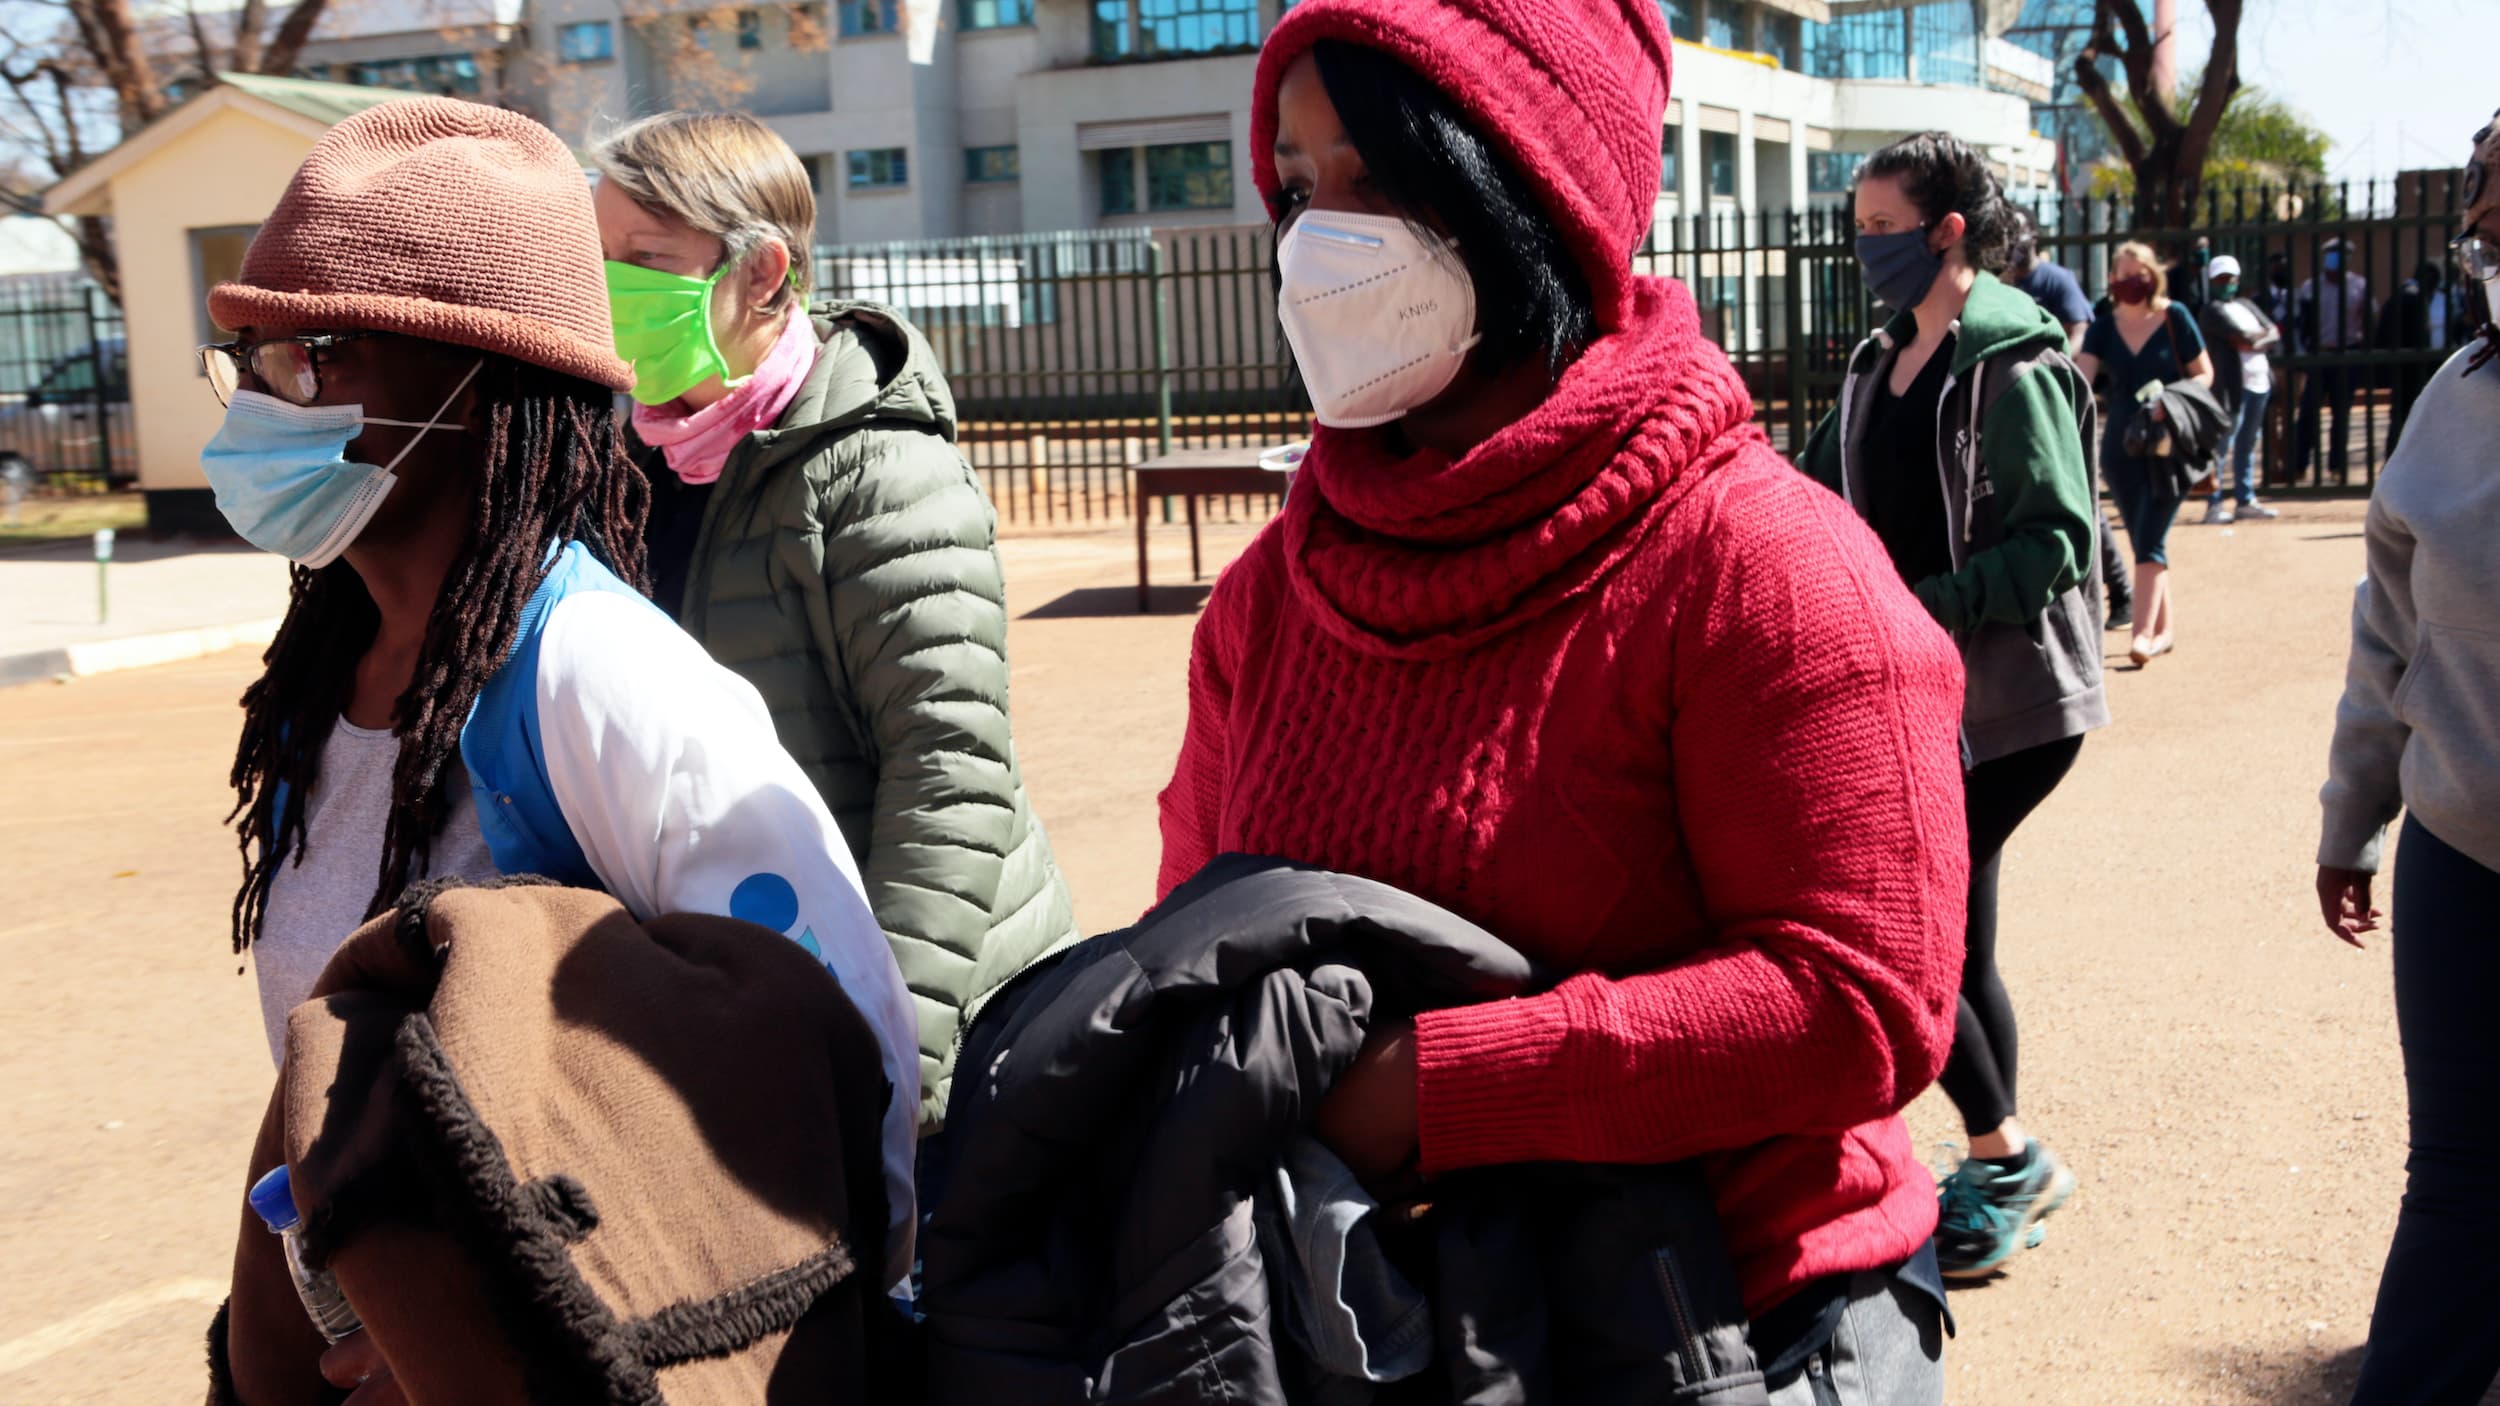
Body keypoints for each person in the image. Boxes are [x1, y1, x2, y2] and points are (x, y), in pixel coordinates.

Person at [1160, 1, 1969, 1399]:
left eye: (1377, 178)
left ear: (1529, 185)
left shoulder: (1761, 562)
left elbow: (1864, 1002)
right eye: (1297, 186)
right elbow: (1201, 950)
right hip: (1393, 1333)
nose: (1316, 240)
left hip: (1739, 1328)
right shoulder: (1277, 593)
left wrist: (1432, 1087)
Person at [203, 99, 920, 1298]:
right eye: (251, 357)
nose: (266, 400)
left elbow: (840, 1058)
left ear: (479, 389)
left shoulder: (598, 676)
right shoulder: (317, 685)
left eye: (317, 355)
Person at [590, 112, 1080, 1129]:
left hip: (929, 1016)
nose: (613, 292)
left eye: (646, 260)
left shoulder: (877, 468)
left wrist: (891, 1053)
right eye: (599, 259)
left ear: (763, 272)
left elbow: (948, 770)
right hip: (745, 1001)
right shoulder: (623, 461)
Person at [1798, 132, 2107, 1281]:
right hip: (1919, 696)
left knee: (1911, 944)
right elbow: (1798, 479)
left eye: (1882, 225)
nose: (1862, 244)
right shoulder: (1879, 364)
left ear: (1947, 230)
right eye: (1857, 224)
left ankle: (2006, 1154)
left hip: (2012, 706)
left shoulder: (2012, 360)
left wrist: (1914, 602)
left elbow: (2059, 542)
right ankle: (2002, 1154)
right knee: (1955, 944)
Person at [2317, 109, 2500, 1406]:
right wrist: (2353, 815)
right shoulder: (2455, 397)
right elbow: (2388, 631)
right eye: (2489, 189)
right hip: (2462, 852)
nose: (2488, 216)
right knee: (2461, 1181)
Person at [2074, 240, 2215, 666]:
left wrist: (2169, 400)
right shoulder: (2103, 324)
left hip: (2169, 446)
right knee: (2143, 540)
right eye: (2121, 275)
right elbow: (2083, 379)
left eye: (2138, 275)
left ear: (2152, 276)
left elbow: (2204, 373)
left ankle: (2141, 636)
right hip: (2120, 449)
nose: (2129, 283)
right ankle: (2163, 630)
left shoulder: (2176, 317)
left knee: (2151, 538)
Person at [2004, 206, 2134, 631]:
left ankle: (2121, 592)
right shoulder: (2002, 282)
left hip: (2057, 400)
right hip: (2018, 405)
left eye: (2019, 239)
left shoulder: (2055, 280)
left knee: (2081, 499)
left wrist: (2053, 361)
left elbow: (2080, 328)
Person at [2197, 254, 2284, 524]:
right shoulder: (2211, 310)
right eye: (2221, 279)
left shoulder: (2247, 304)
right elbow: (2241, 338)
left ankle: (2245, 500)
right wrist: (2258, 338)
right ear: (2212, 281)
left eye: (2230, 278)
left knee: (2249, 444)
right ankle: (2214, 505)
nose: (2227, 283)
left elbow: (2273, 332)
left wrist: (2257, 339)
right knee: (2223, 445)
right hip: (2231, 389)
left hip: (2259, 385)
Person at [2294, 236, 2370, 484]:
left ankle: (2337, 467)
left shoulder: (2359, 285)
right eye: (2332, 253)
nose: (2336, 258)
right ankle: (2300, 466)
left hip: (2346, 354)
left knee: (2341, 414)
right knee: (2307, 413)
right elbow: (2301, 324)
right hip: (2319, 355)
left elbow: (2368, 319)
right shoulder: (2310, 287)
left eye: (2341, 254)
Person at [2374, 257, 2453, 452]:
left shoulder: (2398, 296)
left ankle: (2393, 460)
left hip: (2399, 365)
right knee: (2412, 416)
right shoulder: (2415, 298)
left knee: (2400, 417)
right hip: (2414, 368)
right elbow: (2420, 336)